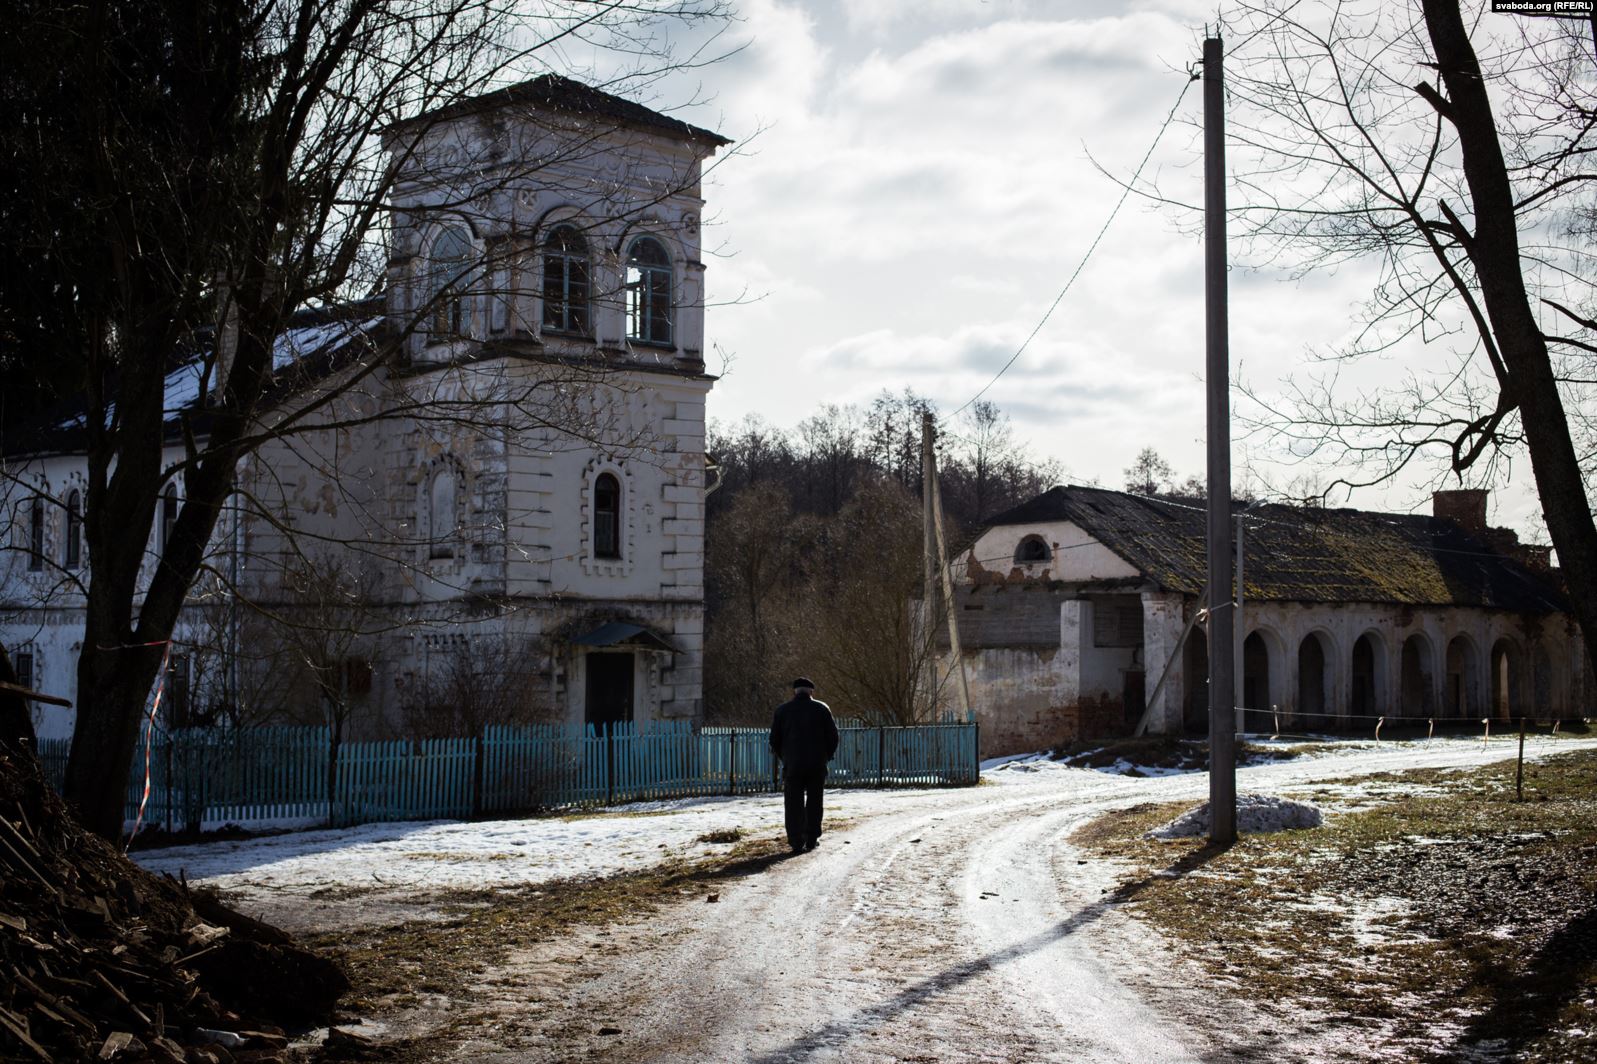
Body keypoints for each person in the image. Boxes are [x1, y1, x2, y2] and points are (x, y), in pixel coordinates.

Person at [769, 677, 839, 854]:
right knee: (815, 801)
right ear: (811, 692)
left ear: (795, 691)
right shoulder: (822, 709)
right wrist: (826, 756)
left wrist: (785, 757)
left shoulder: (782, 710)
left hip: (793, 764)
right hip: (816, 764)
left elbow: (774, 740)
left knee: (793, 803)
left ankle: (795, 840)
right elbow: (833, 737)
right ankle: (811, 838)